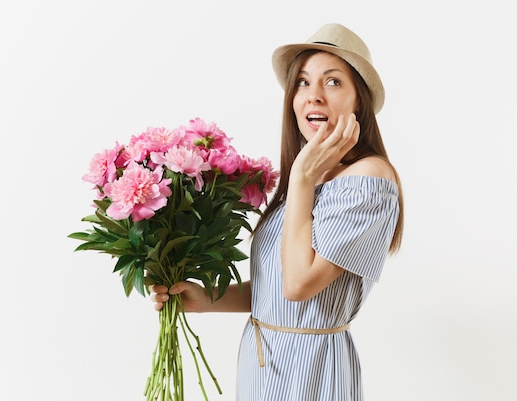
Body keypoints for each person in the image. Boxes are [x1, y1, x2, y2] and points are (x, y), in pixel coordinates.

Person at [150, 23, 404, 401]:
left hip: (312, 371)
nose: (313, 95)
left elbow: (299, 285)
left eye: (333, 82)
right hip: (262, 361)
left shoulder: (367, 179)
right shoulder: (311, 178)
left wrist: (301, 176)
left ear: (358, 102)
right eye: (302, 82)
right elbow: (276, 287)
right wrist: (207, 301)